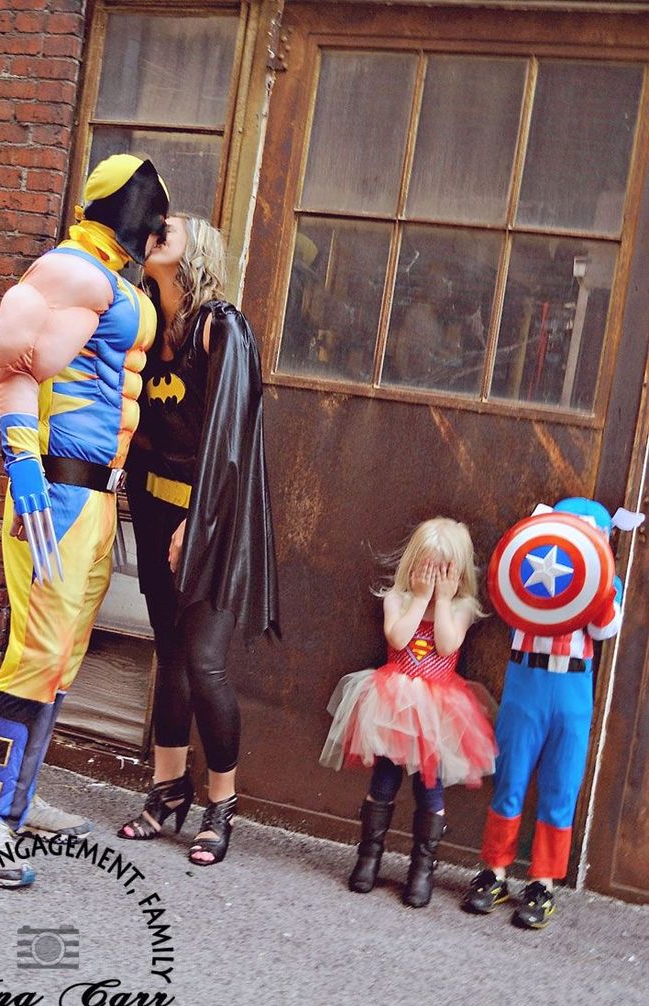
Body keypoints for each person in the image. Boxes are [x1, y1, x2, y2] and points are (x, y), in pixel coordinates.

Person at [0, 154, 170, 887]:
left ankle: (14, 796)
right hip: (58, 494)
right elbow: (17, 362)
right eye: (149, 207)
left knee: (63, 654)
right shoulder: (74, 270)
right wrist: (23, 469)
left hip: (96, 499)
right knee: (38, 651)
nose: (155, 218)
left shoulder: (113, 279)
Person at [117, 214, 279, 867]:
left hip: (212, 519)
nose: (157, 227)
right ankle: (167, 791)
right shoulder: (149, 327)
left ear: (199, 252)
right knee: (172, 658)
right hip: (156, 512)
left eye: (172, 225)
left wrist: (199, 524)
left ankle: (221, 804)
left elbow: (231, 440)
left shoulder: (220, 327)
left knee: (205, 662)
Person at [462, 496, 642, 930]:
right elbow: (509, 600)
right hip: (526, 683)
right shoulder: (527, 566)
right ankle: (495, 871)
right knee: (510, 776)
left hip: (572, 688)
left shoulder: (606, 581)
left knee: (561, 787)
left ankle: (543, 882)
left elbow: (605, 628)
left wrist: (598, 586)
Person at [320, 517, 496, 907]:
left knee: (428, 785)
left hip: (438, 711)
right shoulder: (396, 598)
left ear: (458, 572)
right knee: (384, 777)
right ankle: (369, 857)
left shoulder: (462, 607)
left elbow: (448, 647)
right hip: (391, 704)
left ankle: (422, 868)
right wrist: (418, 599)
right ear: (413, 565)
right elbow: (398, 638)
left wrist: (445, 602)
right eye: (427, 568)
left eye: (443, 570)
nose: (433, 579)